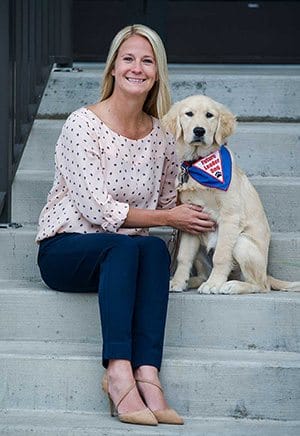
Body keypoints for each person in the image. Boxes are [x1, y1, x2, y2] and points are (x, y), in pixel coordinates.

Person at [36, 24, 215, 426]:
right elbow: (99, 210)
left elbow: (171, 202)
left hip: (127, 257)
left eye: (147, 61)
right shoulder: (82, 124)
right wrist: (169, 218)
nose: (137, 68)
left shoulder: (164, 137)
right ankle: (117, 372)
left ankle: (147, 372)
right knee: (126, 243)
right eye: (128, 59)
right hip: (66, 249)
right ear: (114, 68)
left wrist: (213, 198)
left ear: (157, 73)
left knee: (150, 247)